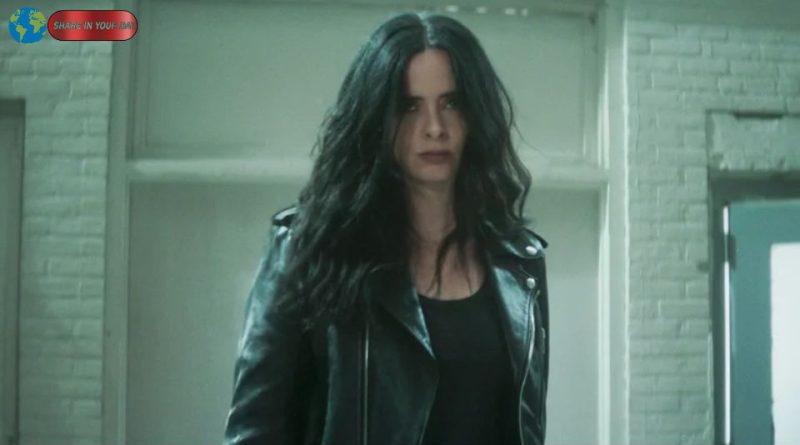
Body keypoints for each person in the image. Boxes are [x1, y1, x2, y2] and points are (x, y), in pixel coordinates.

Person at [223, 11, 549, 445]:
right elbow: (255, 431)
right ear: (377, 119)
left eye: (451, 103)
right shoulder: (308, 248)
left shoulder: (519, 265)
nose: (435, 128)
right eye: (410, 107)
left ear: (476, 114)